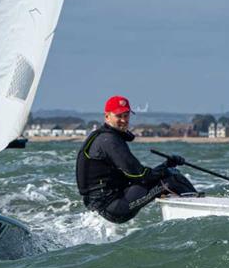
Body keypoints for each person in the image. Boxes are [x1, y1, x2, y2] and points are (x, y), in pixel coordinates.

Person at [76, 95, 198, 223]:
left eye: (126, 115)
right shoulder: (109, 141)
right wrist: (166, 166)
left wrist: (167, 165)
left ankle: (184, 214)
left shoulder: (106, 137)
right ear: (107, 116)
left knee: (169, 175)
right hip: (113, 207)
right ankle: (200, 214)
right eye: (119, 116)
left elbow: (136, 175)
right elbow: (139, 174)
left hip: (104, 205)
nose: (123, 120)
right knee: (173, 179)